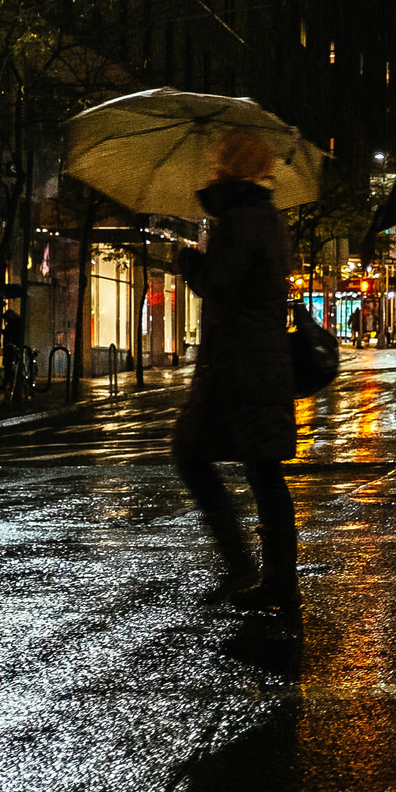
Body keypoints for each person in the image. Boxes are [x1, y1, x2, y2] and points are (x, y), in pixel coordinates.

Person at [172, 129, 300, 613]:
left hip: (236, 368)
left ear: (226, 166)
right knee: (264, 468)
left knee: (191, 454)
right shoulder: (264, 216)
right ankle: (275, 580)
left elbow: (218, 283)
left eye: (217, 160)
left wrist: (189, 260)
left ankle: (243, 564)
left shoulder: (240, 219)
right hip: (260, 364)